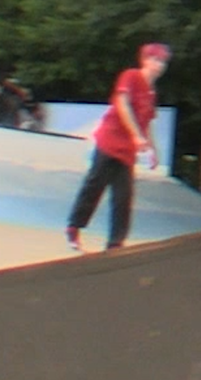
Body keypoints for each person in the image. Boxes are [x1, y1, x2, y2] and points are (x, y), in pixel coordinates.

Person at [65, 43, 169, 253]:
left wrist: (153, 150)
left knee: (123, 197)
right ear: (145, 60)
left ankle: (115, 244)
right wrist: (135, 135)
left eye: (163, 62)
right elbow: (122, 104)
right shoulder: (130, 76)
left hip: (127, 152)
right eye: (155, 60)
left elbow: (147, 123)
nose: (159, 65)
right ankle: (74, 226)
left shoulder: (151, 93)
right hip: (109, 141)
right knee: (95, 184)